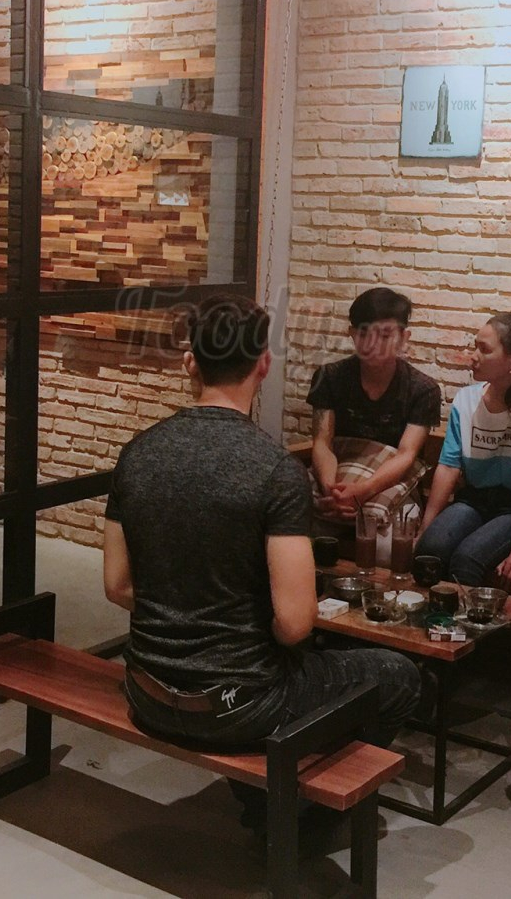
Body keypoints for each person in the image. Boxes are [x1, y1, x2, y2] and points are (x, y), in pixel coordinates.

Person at [103, 294, 420, 822]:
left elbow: (117, 586)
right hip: (238, 706)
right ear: (263, 365)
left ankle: (265, 794)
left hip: (146, 693)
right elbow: (295, 624)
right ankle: (301, 814)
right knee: (399, 675)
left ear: (190, 363)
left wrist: (186, 610)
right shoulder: (275, 471)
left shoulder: (136, 453)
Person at [414, 312, 511, 586]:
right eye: (475, 347)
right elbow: (448, 467)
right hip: (476, 498)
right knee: (430, 550)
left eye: (484, 349)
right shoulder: (465, 401)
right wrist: (426, 526)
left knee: (467, 560)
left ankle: (468, 616)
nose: (473, 356)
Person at [306, 287, 442, 553]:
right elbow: (322, 443)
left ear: (404, 337)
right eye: (364, 334)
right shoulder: (329, 377)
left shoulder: (422, 389)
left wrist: (363, 491)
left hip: (392, 482)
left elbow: (406, 454)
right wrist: (332, 491)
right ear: (351, 333)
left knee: (387, 546)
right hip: (338, 475)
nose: (373, 344)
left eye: (385, 335)